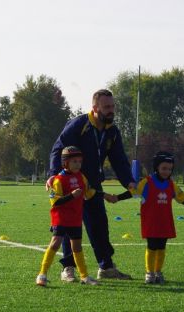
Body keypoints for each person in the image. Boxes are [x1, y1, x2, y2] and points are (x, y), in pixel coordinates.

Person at [47, 89, 135, 281]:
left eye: (112, 106)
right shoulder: (79, 125)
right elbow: (58, 148)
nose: (111, 110)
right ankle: (68, 268)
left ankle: (106, 267)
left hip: (93, 186)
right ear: (95, 108)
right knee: (70, 226)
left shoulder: (112, 131)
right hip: (71, 186)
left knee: (100, 226)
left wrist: (129, 181)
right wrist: (54, 176)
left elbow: (119, 160)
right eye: (106, 107)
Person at [106, 151, 184, 284]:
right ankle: (150, 273)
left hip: (165, 222)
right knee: (152, 246)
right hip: (151, 222)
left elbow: (181, 198)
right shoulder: (147, 182)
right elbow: (132, 192)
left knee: (162, 247)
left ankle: (158, 271)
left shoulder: (171, 185)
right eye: (164, 168)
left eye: (170, 169)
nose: (167, 171)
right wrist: (117, 198)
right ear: (156, 168)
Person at [36, 146, 99, 286]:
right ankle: (42, 274)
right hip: (61, 218)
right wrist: (71, 196)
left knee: (77, 247)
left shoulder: (81, 177)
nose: (78, 164)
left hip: (75, 218)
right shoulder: (58, 180)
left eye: (79, 161)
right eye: (74, 161)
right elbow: (55, 201)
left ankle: (84, 276)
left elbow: (87, 194)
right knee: (56, 243)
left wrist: (98, 193)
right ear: (65, 163)